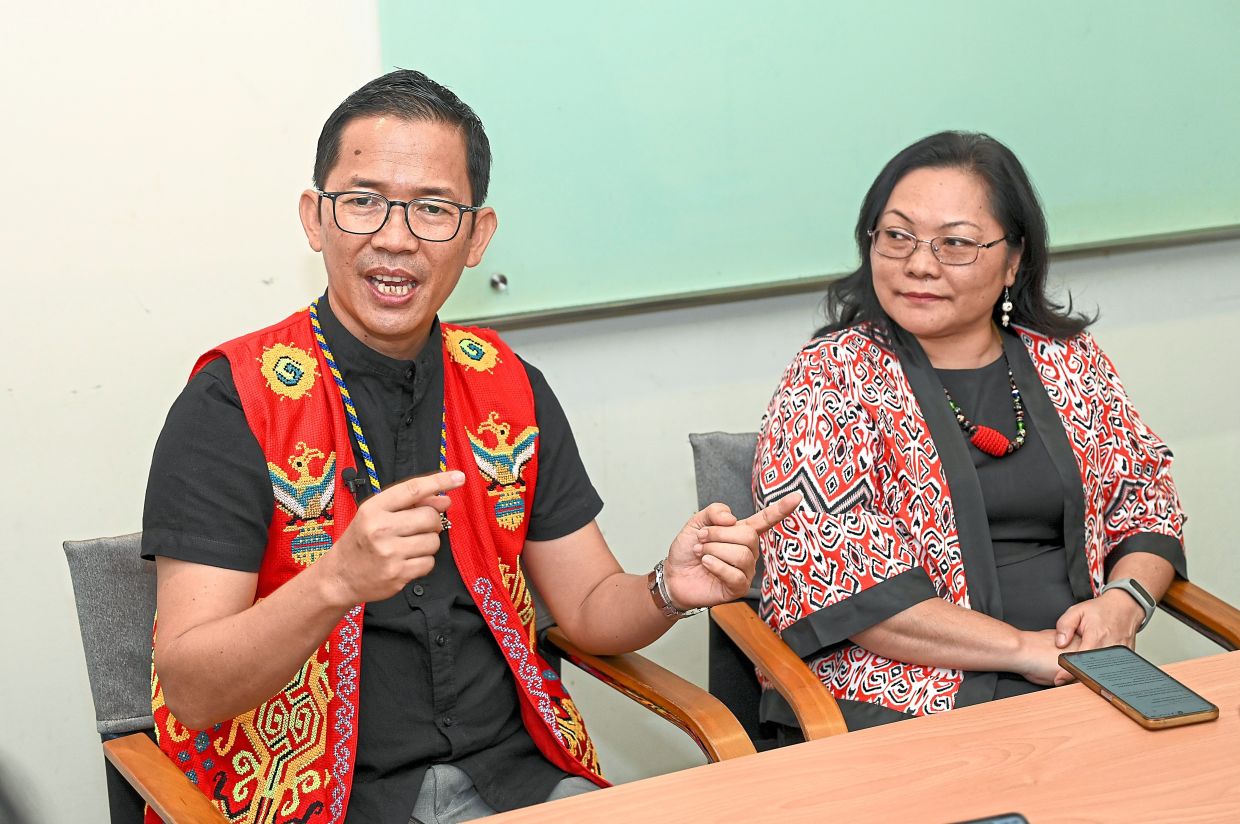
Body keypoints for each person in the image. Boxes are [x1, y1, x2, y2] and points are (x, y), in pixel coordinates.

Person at [143, 69, 799, 824]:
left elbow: (586, 607)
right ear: (314, 219)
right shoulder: (235, 401)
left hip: (515, 783)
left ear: (477, 236)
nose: (395, 238)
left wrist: (666, 586)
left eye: (432, 209)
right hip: (318, 800)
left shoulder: (506, 388)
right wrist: (335, 582)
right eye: (362, 201)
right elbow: (191, 687)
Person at [752, 131, 1185, 736]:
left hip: (1083, 681)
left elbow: (1147, 504)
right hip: (897, 699)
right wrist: (1025, 651)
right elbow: (838, 581)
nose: (919, 264)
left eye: (955, 243)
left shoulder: (1069, 360)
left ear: (1013, 261)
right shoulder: (829, 377)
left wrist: (1123, 605)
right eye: (897, 235)